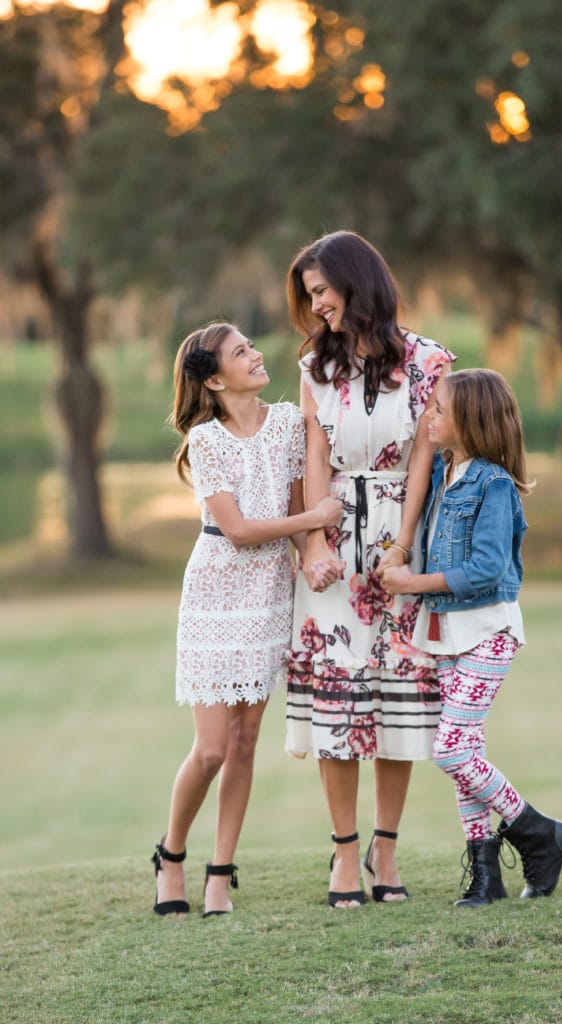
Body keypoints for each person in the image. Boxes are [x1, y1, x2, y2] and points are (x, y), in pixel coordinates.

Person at [284, 230, 455, 908]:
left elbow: (422, 461)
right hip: (334, 542)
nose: (317, 305)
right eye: (310, 296)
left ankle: (387, 855)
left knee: (397, 703)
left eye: (322, 291)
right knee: (338, 701)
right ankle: (345, 857)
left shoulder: (427, 362)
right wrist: (315, 547)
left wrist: (403, 545)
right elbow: (313, 457)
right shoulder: (315, 367)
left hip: (399, 539)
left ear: (356, 282)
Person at [152, 321, 342, 917]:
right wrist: (315, 518)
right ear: (215, 378)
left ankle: (219, 874)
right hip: (215, 592)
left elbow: (290, 504)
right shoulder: (206, 441)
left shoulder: (286, 423)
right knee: (210, 748)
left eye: (251, 347)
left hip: (268, 594)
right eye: (241, 352)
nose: (257, 356)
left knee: (245, 742)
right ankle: (172, 854)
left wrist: (313, 542)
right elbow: (235, 532)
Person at [381, 368, 562, 908]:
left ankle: (539, 833)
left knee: (450, 749)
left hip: (488, 630)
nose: (431, 417)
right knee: (467, 749)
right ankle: (485, 876)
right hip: (446, 632)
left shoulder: (491, 484)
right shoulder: (445, 475)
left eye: (440, 410)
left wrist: (412, 583)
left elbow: (488, 568)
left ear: (469, 421)